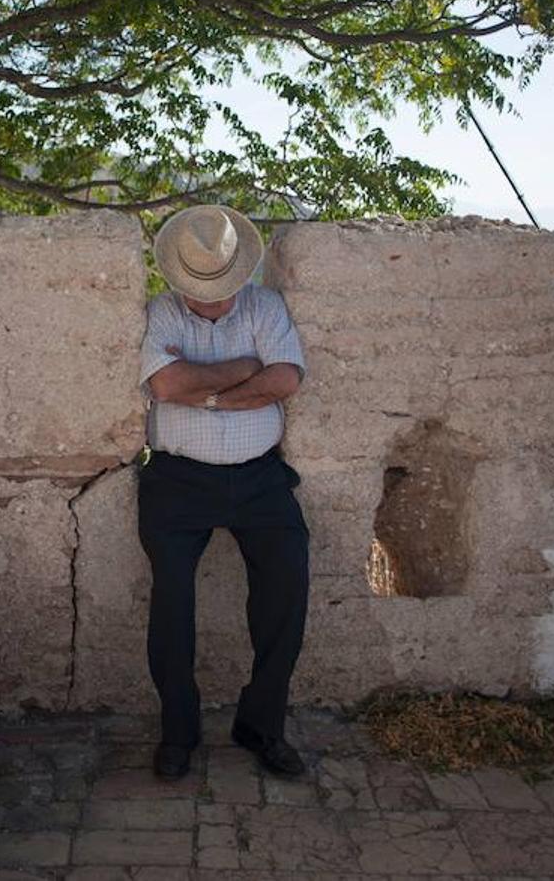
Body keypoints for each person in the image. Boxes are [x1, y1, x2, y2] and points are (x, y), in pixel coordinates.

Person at [138, 204, 310, 780]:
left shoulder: (266, 307)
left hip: (260, 478)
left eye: (221, 288)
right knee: (171, 605)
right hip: (177, 480)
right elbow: (166, 383)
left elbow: (285, 378)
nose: (211, 302)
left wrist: (207, 393)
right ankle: (177, 733)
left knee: (287, 588)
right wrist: (243, 369)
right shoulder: (161, 313)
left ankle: (261, 726)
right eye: (200, 290)